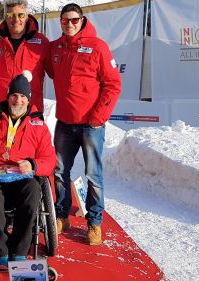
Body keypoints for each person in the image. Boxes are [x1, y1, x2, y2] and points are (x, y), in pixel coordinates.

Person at [0, 71, 56, 270]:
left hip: (21, 178)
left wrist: (33, 164)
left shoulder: (38, 125)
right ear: (8, 97)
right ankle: (2, 253)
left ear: (28, 100)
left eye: (23, 97)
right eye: (14, 95)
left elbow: (50, 159)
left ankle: (20, 253)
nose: (18, 100)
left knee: (33, 190)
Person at [47, 3, 122, 245]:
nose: (69, 24)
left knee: (93, 175)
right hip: (65, 123)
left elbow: (113, 84)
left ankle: (94, 223)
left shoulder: (98, 46)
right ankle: (61, 216)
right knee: (59, 172)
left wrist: (98, 117)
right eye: (65, 20)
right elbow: (47, 68)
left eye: (74, 20)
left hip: (91, 125)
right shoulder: (55, 48)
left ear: (82, 20)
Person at [0, 0, 50, 112]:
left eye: (21, 15)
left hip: (31, 111)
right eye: (11, 15)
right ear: (5, 17)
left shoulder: (42, 42)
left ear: (27, 16)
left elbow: (58, 71)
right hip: (1, 109)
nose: (16, 20)